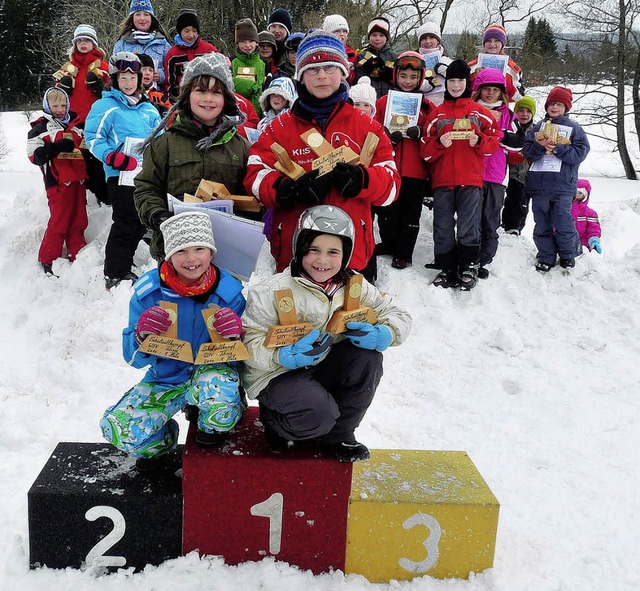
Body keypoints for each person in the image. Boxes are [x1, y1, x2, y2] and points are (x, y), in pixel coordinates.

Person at [241, 205, 412, 462]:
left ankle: (339, 434)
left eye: (333, 252)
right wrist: (281, 356)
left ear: (346, 254)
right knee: (317, 414)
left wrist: (386, 333)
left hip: (325, 365)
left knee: (368, 359)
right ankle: (278, 424)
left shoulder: (354, 285)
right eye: (313, 250)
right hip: (278, 374)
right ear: (299, 248)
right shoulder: (270, 291)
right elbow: (248, 342)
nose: (322, 261)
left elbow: (396, 313)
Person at [244, 31, 400, 280]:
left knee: (347, 318)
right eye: (313, 69)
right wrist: (287, 190)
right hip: (295, 253)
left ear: (343, 72)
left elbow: (391, 186)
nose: (322, 76)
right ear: (301, 76)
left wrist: (363, 180)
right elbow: (254, 174)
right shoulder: (279, 127)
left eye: (330, 67)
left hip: (352, 254)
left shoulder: (367, 126)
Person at [100, 211, 246, 473]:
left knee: (220, 395)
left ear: (211, 253)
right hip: (166, 377)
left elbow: (246, 355)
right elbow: (131, 360)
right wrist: (140, 337)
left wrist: (239, 335)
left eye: (199, 249)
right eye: (181, 251)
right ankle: (162, 441)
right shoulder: (149, 293)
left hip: (212, 374)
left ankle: (212, 424)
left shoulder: (230, 292)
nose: (191, 259)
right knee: (119, 430)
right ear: (168, 255)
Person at [134, 52, 249, 264]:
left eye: (217, 93)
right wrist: (158, 215)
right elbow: (146, 187)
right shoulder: (165, 143)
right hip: (175, 252)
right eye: (200, 91)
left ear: (227, 99)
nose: (208, 99)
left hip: (224, 253)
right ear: (187, 94)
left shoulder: (240, 146)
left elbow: (249, 196)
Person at [420, 59, 500, 290]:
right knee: (443, 226)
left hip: (471, 180)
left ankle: (468, 266)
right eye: (452, 81)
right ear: (447, 83)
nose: (455, 85)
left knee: (468, 225)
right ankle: (446, 267)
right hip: (443, 181)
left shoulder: (480, 113)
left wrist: (479, 141)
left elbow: (493, 143)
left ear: (467, 82)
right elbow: (424, 149)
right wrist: (439, 144)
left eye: (460, 81)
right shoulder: (437, 114)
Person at [85, 52, 161, 289]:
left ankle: (125, 264)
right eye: (123, 78)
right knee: (125, 222)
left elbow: (159, 137)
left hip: (143, 175)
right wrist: (112, 157)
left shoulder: (148, 108)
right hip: (120, 175)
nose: (128, 83)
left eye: (133, 78)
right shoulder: (105, 106)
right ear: (115, 80)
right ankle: (115, 272)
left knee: (139, 223)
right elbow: (93, 137)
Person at [374, 51, 436, 269]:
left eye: (412, 77)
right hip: (389, 166)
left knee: (410, 213)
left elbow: (433, 133)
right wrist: (386, 136)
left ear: (419, 78)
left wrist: (421, 132)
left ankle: (404, 252)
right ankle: (389, 243)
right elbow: (372, 128)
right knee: (387, 210)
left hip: (415, 169)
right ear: (395, 76)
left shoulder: (427, 106)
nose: (407, 81)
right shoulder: (383, 103)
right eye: (403, 76)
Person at [523, 86, 590, 271]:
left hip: (563, 186)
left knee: (563, 221)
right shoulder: (538, 128)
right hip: (539, 185)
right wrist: (540, 147)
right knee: (541, 223)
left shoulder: (574, 128)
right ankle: (546, 256)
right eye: (551, 103)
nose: (554, 107)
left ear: (566, 108)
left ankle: (568, 254)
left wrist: (559, 149)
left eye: (559, 104)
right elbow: (527, 152)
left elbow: (581, 152)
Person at [27, 87, 88, 276]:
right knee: (59, 222)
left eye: (63, 105)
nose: (60, 109)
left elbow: (86, 146)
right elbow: (33, 156)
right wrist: (53, 148)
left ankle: (78, 254)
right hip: (58, 183)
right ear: (47, 106)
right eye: (55, 105)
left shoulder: (76, 125)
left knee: (79, 220)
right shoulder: (40, 128)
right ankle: (47, 258)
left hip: (78, 181)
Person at [471, 68, 523, 279]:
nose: (490, 94)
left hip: (495, 175)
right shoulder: (470, 110)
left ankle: (485, 260)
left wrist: (495, 132)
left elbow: (518, 144)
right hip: (471, 173)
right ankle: (469, 257)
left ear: (501, 92)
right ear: (479, 91)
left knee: (490, 219)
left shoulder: (508, 115)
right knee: (470, 219)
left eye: (494, 90)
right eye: (486, 89)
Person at [54, 24, 110, 206]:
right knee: (76, 163)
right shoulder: (67, 68)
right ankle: (81, 200)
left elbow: (114, 91)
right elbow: (55, 96)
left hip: (97, 122)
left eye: (87, 40)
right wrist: (62, 89)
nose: (83, 43)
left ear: (94, 43)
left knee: (97, 164)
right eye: (79, 40)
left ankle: (104, 198)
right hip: (74, 123)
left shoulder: (102, 66)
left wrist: (101, 89)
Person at [112, 0, 172, 88]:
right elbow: (114, 71)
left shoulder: (163, 43)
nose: (142, 18)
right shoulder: (122, 44)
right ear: (132, 18)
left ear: (152, 17)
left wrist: (161, 75)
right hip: (129, 96)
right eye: (138, 14)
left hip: (157, 97)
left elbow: (172, 70)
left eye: (146, 14)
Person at [164, 9, 218, 102]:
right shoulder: (173, 54)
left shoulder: (209, 50)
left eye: (194, 30)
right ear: (180, 31)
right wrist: (174, 101)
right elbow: (170, 83)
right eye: (186, 31)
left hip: (206, 98)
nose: (191, 35)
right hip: (181, 100)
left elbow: (219, 73)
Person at [502, 96, 537, 234]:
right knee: (511, 200)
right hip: (509, 172)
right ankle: (508, 226)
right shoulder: (511, 127)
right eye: (521, 111)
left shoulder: (536, 131)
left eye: (528, 111)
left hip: (526, 173)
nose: (524, 114)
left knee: (522, 202)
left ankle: (516, 228)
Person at [469, 24, 525, 104]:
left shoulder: (512, 69)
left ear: (502, 44)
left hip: (501, 112)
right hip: (476, 110)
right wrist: (475, 79)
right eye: (488, 41)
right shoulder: (472, 67)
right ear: (484, 44)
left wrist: (505, 81)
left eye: (497, 40)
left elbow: (519, 97)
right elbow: (462, 92)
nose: (492, 44)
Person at [354, 16, 397, 98]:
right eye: (374, 35)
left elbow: (399, 79)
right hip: (368, 98)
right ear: (369, 37)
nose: (377, 38)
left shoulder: (393, 56)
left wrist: (389, 75)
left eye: (381, 35)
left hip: (388, 97)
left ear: (386, 38)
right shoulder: (362, 55)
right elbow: (357, 79)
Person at [232, 18, 266, 117]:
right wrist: (252, 86)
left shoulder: (263, 64)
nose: (247, 45)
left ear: (257, 43)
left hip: (260, 115)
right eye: (243, 41)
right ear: (237, 43)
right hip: (238, 115)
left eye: (251, 41)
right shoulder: (231, 63)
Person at [414, 21, 451, 106]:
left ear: (438, 41)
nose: (427, 41)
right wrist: (422, 85)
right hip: (420, 104)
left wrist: (448, 73)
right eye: (424, 38)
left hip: (443, 104)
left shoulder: (447, 61)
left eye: (431, 37)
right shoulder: (413, 60)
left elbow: (459, 83)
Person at [321, 14, 357, 85]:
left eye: (344, 31)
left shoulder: (353, 55)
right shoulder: (319, 53)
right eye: (337, 31)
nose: (342, 34)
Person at [572, 179, 602, 254]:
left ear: (585, 195)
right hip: (564, 243)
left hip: (583, 244)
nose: (577, 194)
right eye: (575, 191)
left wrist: (594, 241)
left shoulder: (590, 213)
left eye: (580, 193)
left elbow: (594, 228)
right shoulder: (564, 209)